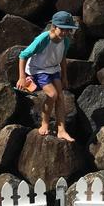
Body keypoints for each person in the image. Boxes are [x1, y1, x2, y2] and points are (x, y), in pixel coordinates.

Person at [16, 11, 77, 142]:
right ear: (54, 27)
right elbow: (23, 55)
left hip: (53, 69)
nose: (66, 33)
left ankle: (62, 130)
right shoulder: (43, 39)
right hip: (38, 69)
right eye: (63, 29)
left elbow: (63, 59)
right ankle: (45, 123)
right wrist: (22, 77)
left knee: (60, 97)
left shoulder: (65, 41)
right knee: (52, 95)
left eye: (68, 30)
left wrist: (64, 76)